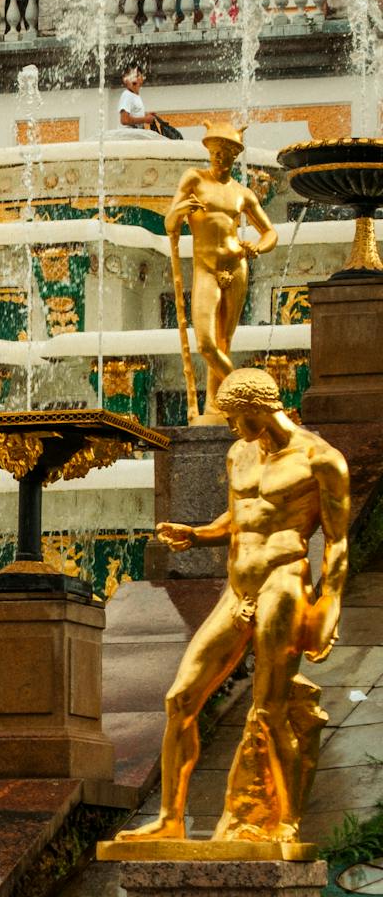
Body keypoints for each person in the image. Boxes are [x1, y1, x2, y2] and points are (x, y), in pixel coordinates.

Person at [114, 367, 348, 848]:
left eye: (236, 418)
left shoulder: (321, 460)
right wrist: (197, 533)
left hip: (284, 583)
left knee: (272, 710)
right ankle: (170, 819)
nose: (231, 428)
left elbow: (339, 543)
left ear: (261, 408)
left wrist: (328, 607)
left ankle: (286, 820)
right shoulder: (238, 453)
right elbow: (239, 515)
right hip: (236, 587)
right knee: (180, 699)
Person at [165, 121, 280, 416]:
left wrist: (258, 246)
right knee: (206, 344)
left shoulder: (243, 194)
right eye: (215, 150)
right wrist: (178, 212)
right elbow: (170, 224)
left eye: (226, 151)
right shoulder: (194, 179)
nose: (219, 156)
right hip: (206, 268)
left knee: (224, 343)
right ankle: (251, 396)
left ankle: (216, 407)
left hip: (236, 266)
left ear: (234, 155)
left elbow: (270, 233)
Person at [117, 65, 180, 138]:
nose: (133, 79)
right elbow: (124, 120)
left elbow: (133, 113)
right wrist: (145, 119)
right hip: (128, 137)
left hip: (134, 136)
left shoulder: (135, 96)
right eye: (131, 76)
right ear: (125, 80)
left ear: (142, 79)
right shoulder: (127, 95)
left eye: (137, 76)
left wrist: (145, 115)